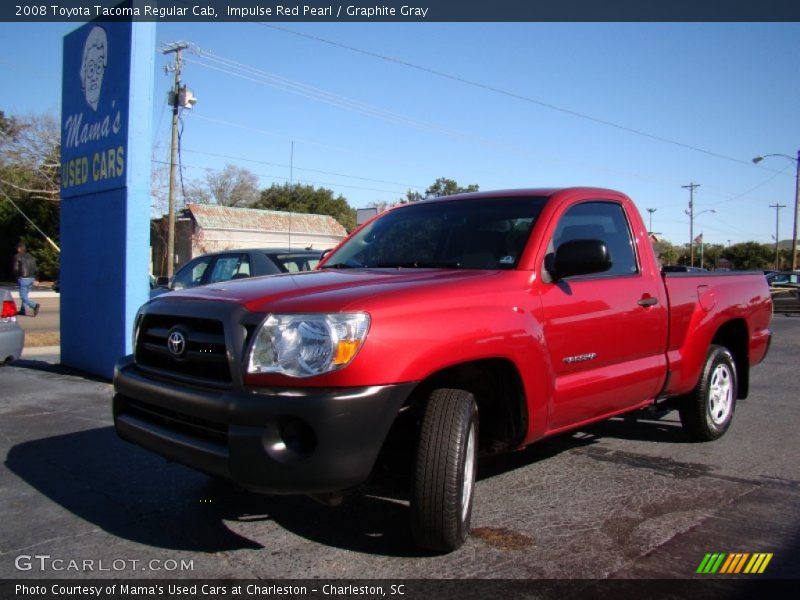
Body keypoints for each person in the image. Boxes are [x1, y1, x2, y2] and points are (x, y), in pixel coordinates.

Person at [12, 242, 39, 317]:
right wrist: (36, 279)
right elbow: (36, 269)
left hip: (23, 278)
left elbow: (15, 269)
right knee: (25, 295)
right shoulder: (31, 257)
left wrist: (17, 278)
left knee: (22, 296)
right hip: (32, 278)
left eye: (17, 248)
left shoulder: (17, 256)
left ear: (19, 249)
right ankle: (23, 310)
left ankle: (34, 305)